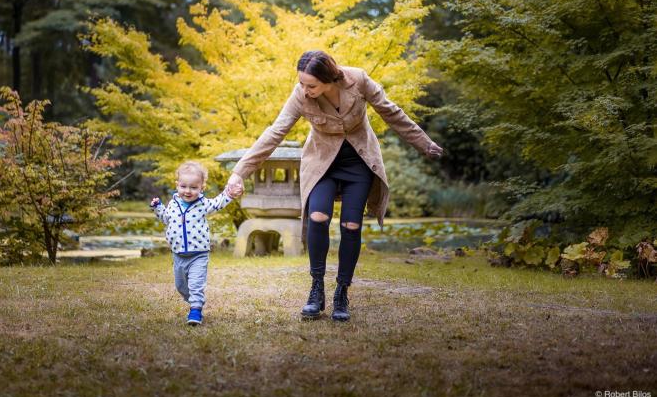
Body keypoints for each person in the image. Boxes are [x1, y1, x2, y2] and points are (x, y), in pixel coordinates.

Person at [227, 51, 442, 322]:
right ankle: (316, 289)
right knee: (318, 217)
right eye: (302, 84)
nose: (305, 90)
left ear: (329, 79)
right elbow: (275, 132)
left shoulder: (358, 80)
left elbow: (390, 111)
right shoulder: (300, 95)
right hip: (322, 162)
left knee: (351, 225)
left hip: (358, 162)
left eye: (311, 85)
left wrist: (424, 143)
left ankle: (342, 291)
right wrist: (239, 172)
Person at [151, 161, 240, 325]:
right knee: (180, 286)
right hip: (178, 254)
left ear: (201, 187)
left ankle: (196, 309)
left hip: (198, 254)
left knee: (195, 284)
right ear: (177, 185)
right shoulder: (173, 204)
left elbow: (218, 203)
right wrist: (158, 208)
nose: (188, 191)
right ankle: (192, 300)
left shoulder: (202, 204)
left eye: (193, 187)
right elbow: (166, 219)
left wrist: (229, 194)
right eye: (184, 186)